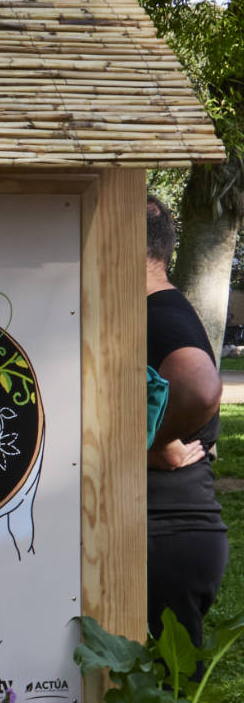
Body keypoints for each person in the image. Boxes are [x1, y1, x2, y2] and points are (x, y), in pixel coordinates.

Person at [145, 194, 226, 645]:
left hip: (167, 537)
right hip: (174, 536)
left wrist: (147, 444)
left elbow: (200, 387)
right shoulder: (162, 309)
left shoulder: (159, 316)